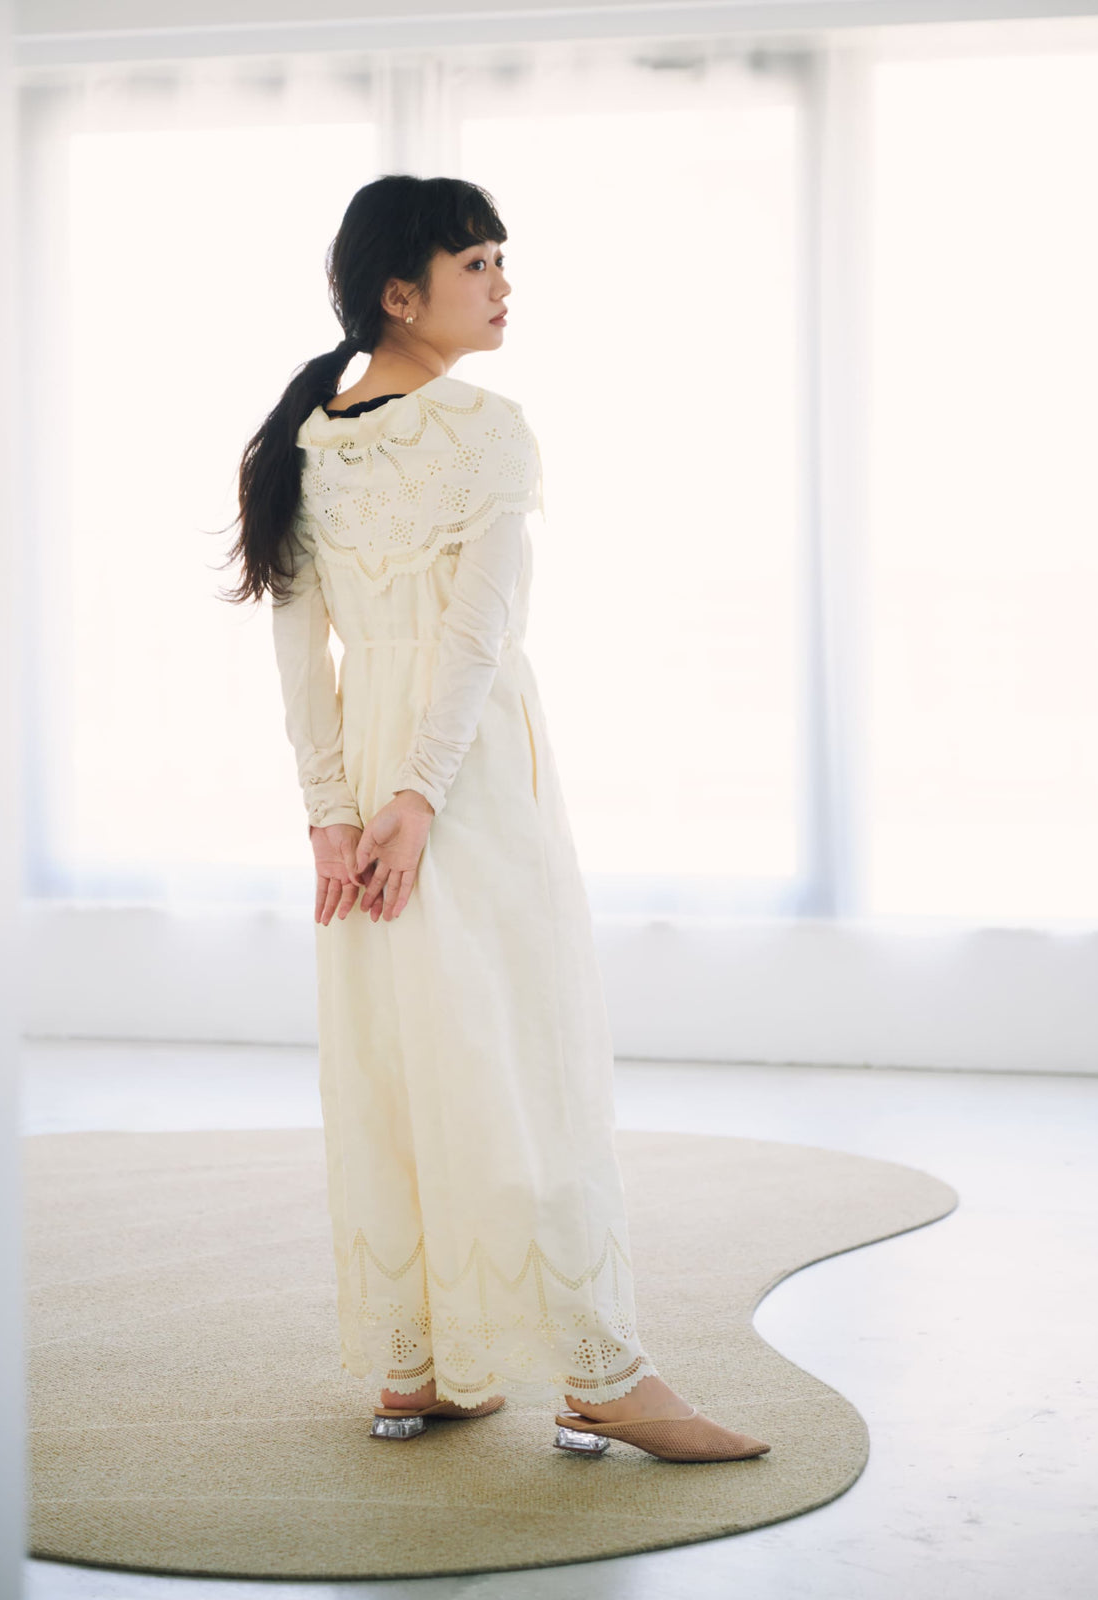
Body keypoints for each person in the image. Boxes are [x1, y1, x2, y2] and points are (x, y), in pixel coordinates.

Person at [221, 175, 770, 1465]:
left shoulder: (302, 438)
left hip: (377, 776)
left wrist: (333, 814)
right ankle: (601, 1374)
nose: (504, 285)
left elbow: (303, 655)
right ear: (399, 295)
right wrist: (412, 800)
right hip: (460, 776)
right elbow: (478, 635)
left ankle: (419, 1366)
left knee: (405, 1055)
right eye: (477, 264)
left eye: (500, 260)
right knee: (524, 1051)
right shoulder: (485, 432)